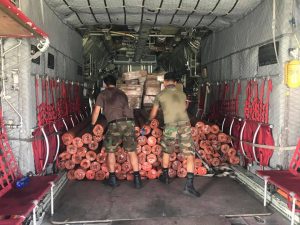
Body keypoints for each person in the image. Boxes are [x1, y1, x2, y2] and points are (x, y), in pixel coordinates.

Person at [148, 72, 200, 197]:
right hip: (184, 125)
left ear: (165, 82)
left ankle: (165, 176)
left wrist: (148, 121)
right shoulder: (182, 94)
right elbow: (183, 107)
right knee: (189, 154)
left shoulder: (160, 94)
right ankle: (189, 185)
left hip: (170, 126)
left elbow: (153, 114)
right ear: (175, 83)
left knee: (167, 151)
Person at [90, 75, 142, 188]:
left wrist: (92, 125)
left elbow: (96, 111)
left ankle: (112, 179)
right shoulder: (122, 93)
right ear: (115, 83)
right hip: (129, 122)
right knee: (132, 151)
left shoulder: (102, 94)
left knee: (111, 151)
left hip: (115, 123)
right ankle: (137, 180)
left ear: (105, 84)